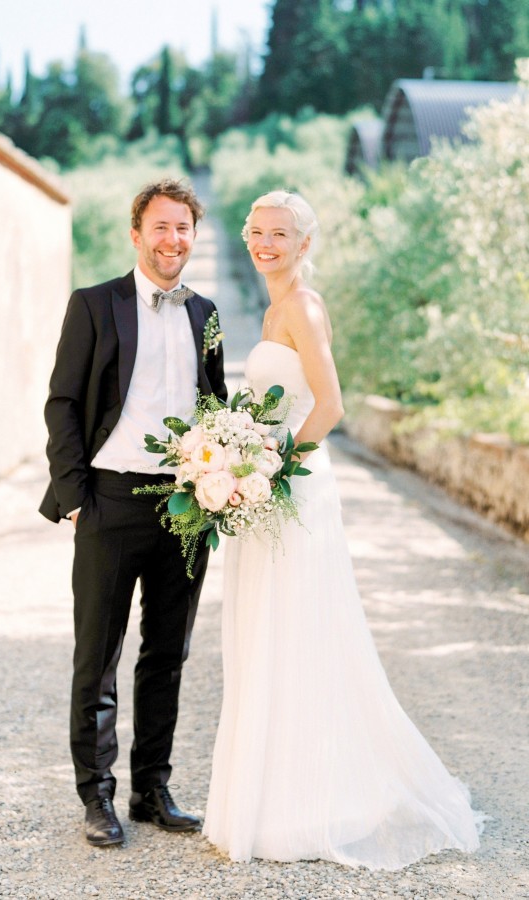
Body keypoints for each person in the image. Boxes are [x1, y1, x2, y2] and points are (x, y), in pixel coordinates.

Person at [203, 190, 482, 869]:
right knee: (269, 631)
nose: (266, 242)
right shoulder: (274, 307)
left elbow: (330, 405)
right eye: (258, 232)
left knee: (301, 630)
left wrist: (270, 469)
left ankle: (312, 805)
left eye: (281, 234)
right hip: (267, 490)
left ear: (304, 244)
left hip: (293, 490)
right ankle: (274, 799)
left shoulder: (302, 306)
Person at [39, 178, 227, 847]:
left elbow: (216, 405)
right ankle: (98, 796)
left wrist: (222, 488)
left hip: (186, 507)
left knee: (167, 655)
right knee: (98, 656)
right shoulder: (94, 305)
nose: (172, 239)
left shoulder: (204, 313)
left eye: (184, 228)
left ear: (193, 236)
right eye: (161, 226)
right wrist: (75, 499)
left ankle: (153, 788)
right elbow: (62, 403)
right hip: (110, 502)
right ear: (136, 231)